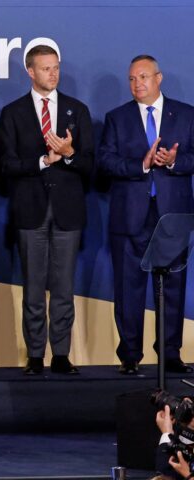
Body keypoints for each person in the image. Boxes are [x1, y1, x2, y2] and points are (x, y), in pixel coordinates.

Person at [0, 44, 94, 376]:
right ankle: (36, 354)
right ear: (30, 71)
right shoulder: (13, 113)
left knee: (64, 288)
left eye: (56, 67)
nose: (53, 74)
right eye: (45, 68)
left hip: (68, 211)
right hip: (30, 210)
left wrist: (68, 153)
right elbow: (6, 165)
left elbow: (89, 164)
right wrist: (42, 161)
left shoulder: (77, 110)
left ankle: (61, 354)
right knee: (33, 289)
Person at [97, 54, 194, 375]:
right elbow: (105, 161)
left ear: (158, 78)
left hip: (172, 216)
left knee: (173, 287)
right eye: (132, 79)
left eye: (143, 77)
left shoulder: (186, 115)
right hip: (130, 216)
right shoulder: (117, 118)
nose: (137, 84)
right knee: (128, 288)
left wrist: (174, 161)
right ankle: (129, 355)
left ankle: (170, 353)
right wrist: (142, 164)